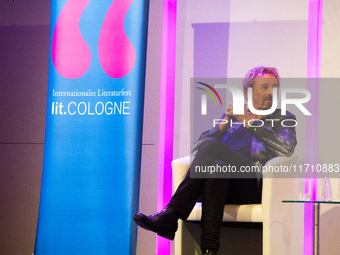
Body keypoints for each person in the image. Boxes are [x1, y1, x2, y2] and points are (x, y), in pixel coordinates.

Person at [133, 66, 297, 255]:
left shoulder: (284, 118)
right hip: (221, 184)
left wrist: (249, 122)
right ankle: (209, 250)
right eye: (265, 87)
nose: (271, 92)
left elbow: (286, 148)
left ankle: (172, 213)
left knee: (212, 146)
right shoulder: (233, 117)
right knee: (217, 167)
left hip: (251, 186)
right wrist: (222, 126)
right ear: (247, 91)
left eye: (275, 87)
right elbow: (197, 151)